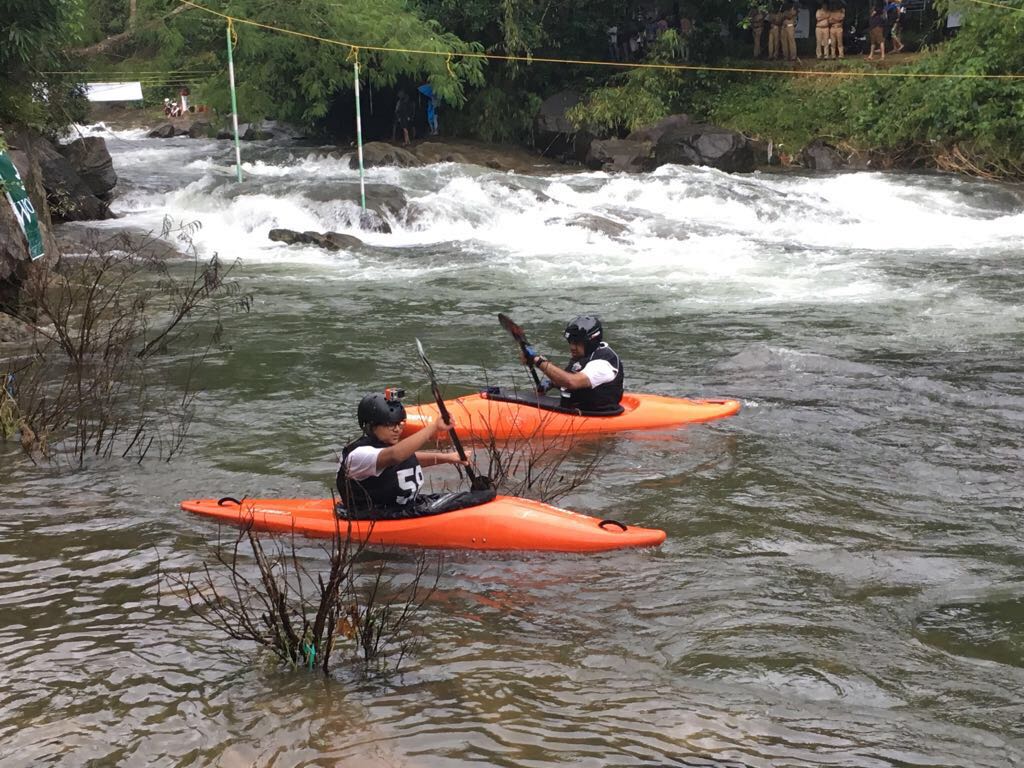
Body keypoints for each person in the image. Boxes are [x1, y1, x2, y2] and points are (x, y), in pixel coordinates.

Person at [336, 389, 491, 520]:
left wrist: (448, 458)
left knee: (471, 497)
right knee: (468, 500)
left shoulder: (385, 449)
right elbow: (395, 456)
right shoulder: (359, 455)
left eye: (400, 423)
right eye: (390, 424)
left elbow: (406, 458)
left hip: (399, 509)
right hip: (373, 516)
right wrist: (434, 427)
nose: (397, 429)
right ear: (370, 426)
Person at [522, 315, 625, 414]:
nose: (572, 347)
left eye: (577, 343)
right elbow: (567, 378)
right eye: (570, 342)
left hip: (596, 414)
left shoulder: (602, 364)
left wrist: (538, 361)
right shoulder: (583, 356)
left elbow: (571, 382)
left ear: (591, 342)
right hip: (577, 409)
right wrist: (550, 383)